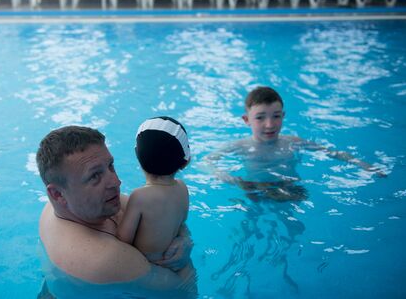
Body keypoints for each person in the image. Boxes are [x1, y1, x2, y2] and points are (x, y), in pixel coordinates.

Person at [36, 125, 196, 298]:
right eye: (95, 176)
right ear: (57, 194)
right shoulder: (103, 259)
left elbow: (163, 215)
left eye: (110, 165)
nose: (116, 182)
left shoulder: (77, 204)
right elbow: (183, 290)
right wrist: (184, 258)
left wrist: (184, 239)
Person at [207, 86, 386, 202]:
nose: (269, 124)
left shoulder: (293, 142)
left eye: (276, 116)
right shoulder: (241, 146)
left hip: (290, 190)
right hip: (253, 189)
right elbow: (208, 160)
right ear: (247, 120)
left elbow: (332, 153)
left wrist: (364, 166)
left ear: (283, 116)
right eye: (260, 118)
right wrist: (221, 174)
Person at [117, 116, 190, 267]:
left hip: (147, 265)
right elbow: (181, 222)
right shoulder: (182, 188)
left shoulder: (140, 197)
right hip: (173, 262)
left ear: (137, 155)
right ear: (184, 162)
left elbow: (123, 240)